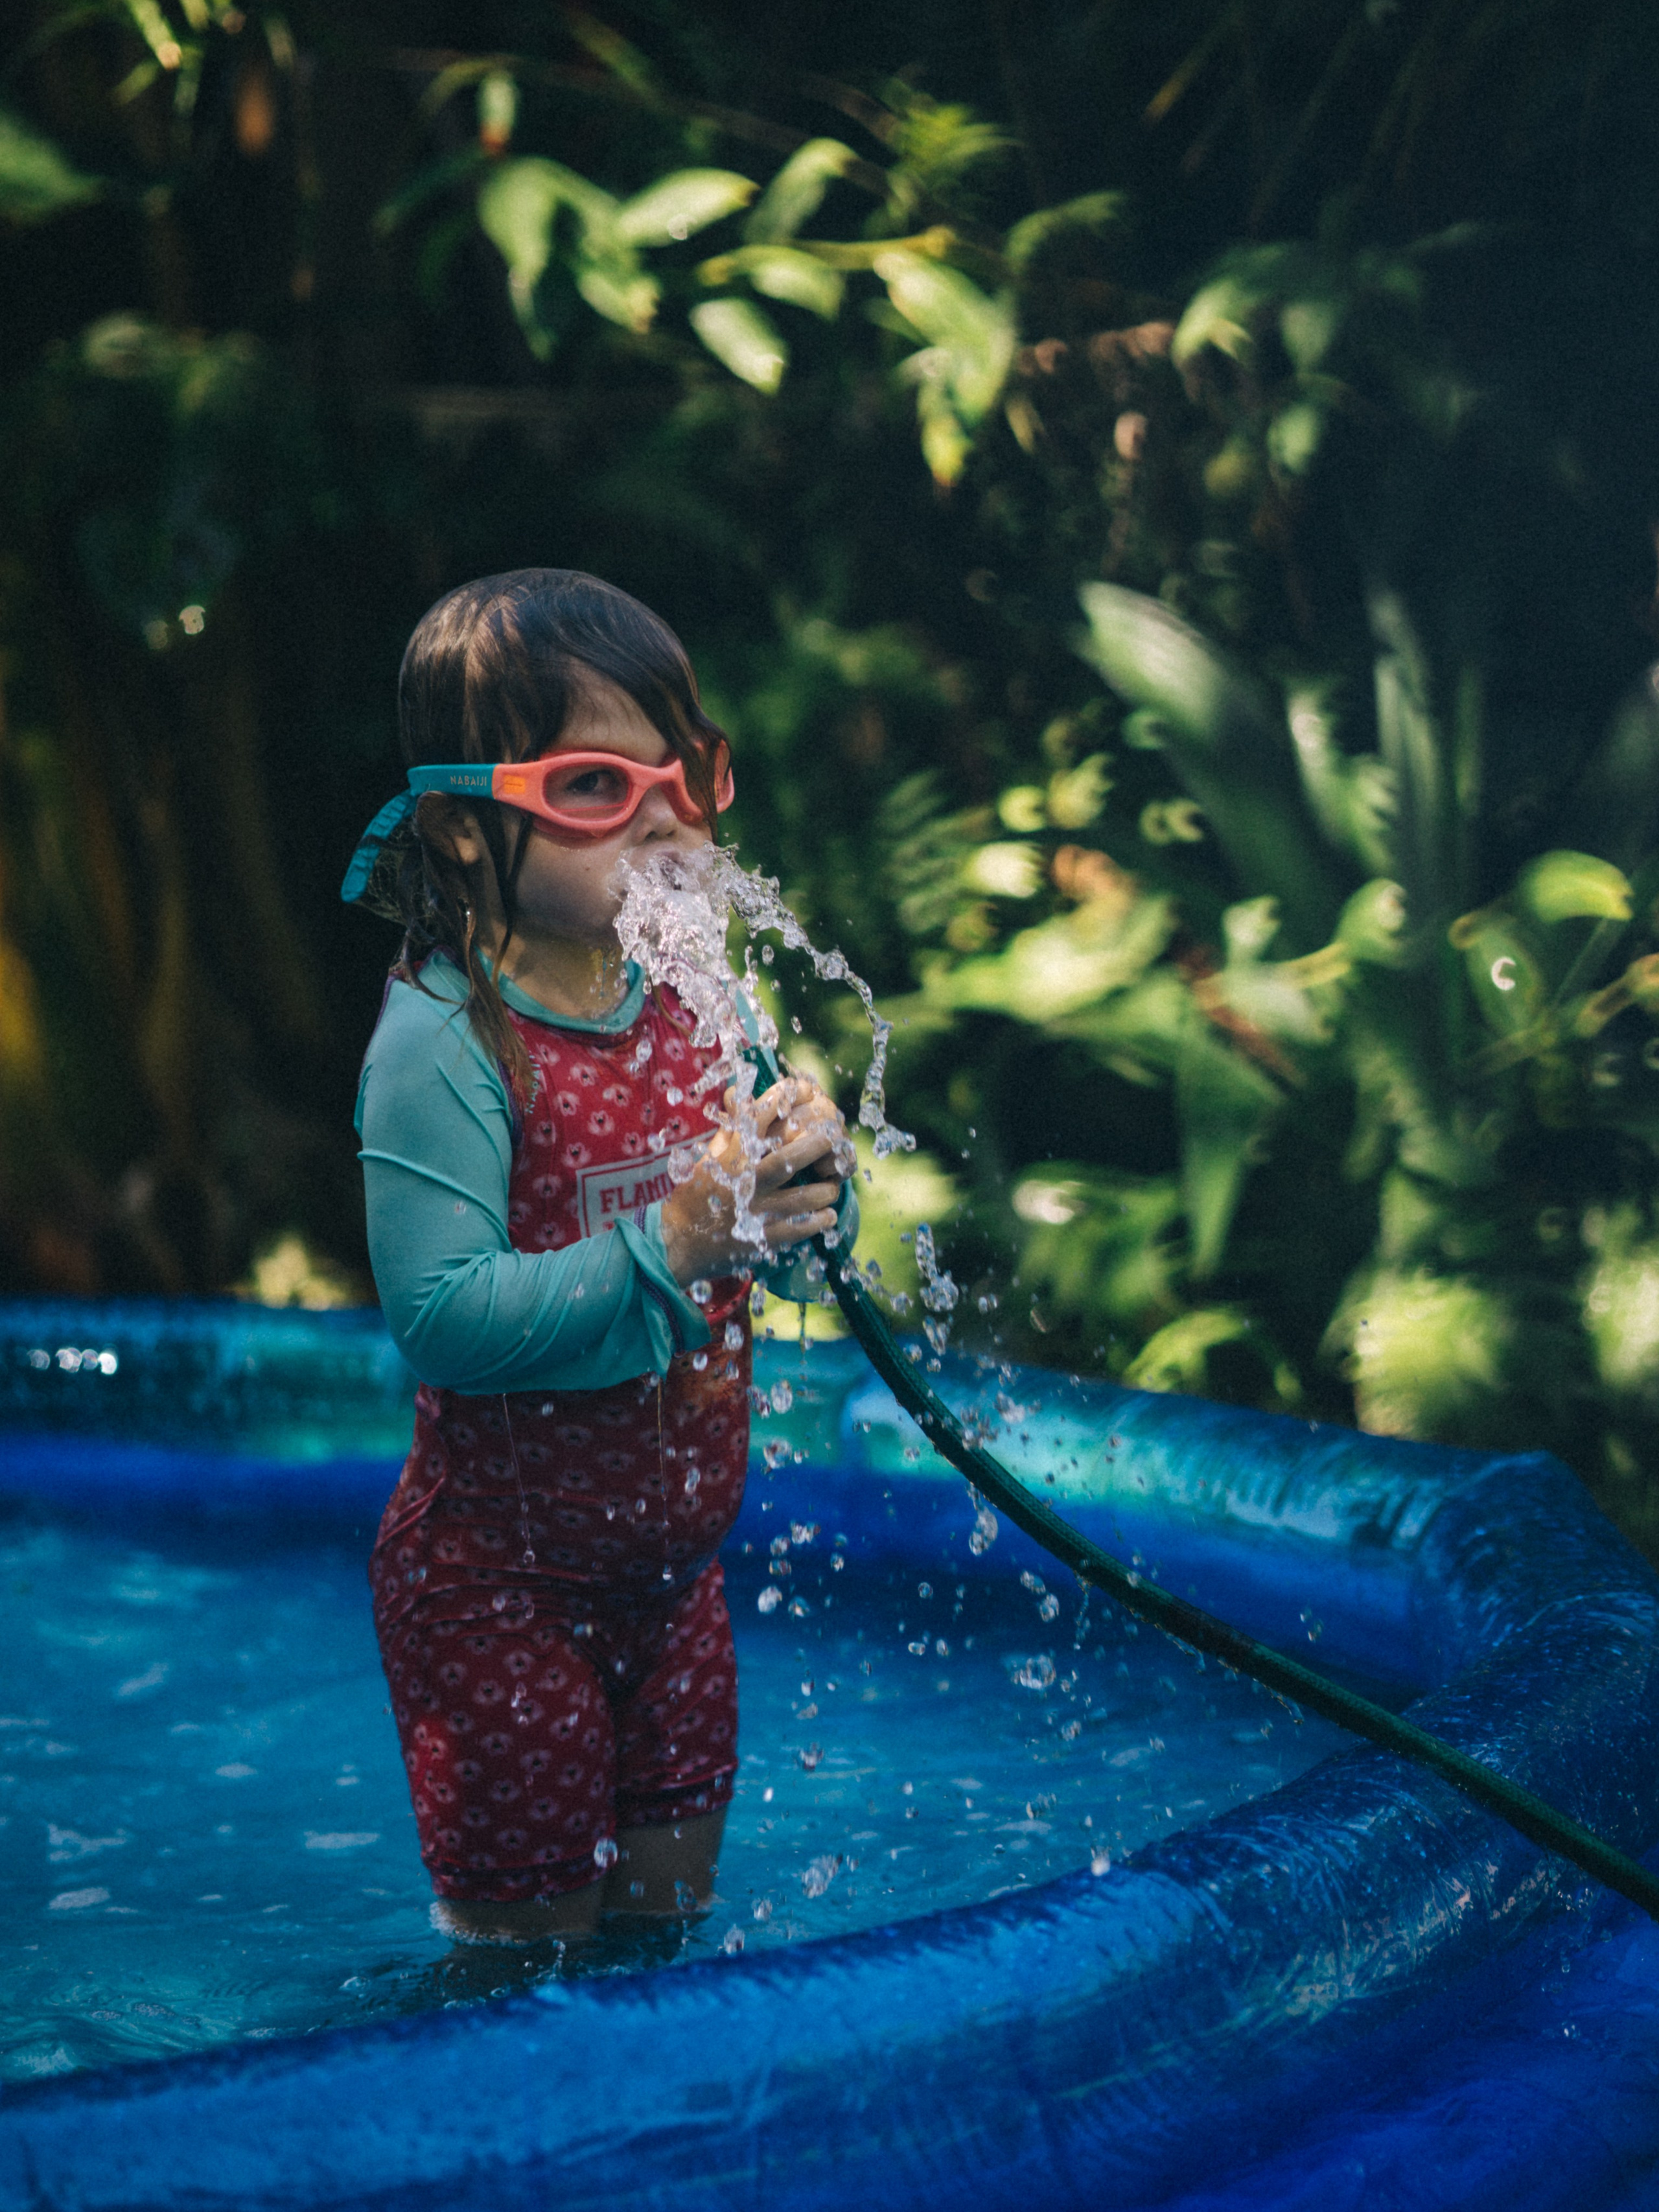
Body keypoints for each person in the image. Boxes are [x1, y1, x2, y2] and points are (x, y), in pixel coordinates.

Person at [342, 568, 855, 1945]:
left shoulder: (694, 998)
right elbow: (440, 1317)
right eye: (593, 790)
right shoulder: (446, 1045)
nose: (663, 822)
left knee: (665, 1938)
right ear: (460, 830)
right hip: (499, 1598)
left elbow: (793, 1259)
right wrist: (674, 1238)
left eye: (682, 774)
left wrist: (810, 1194)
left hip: (675, 1590)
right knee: (523, 1975)